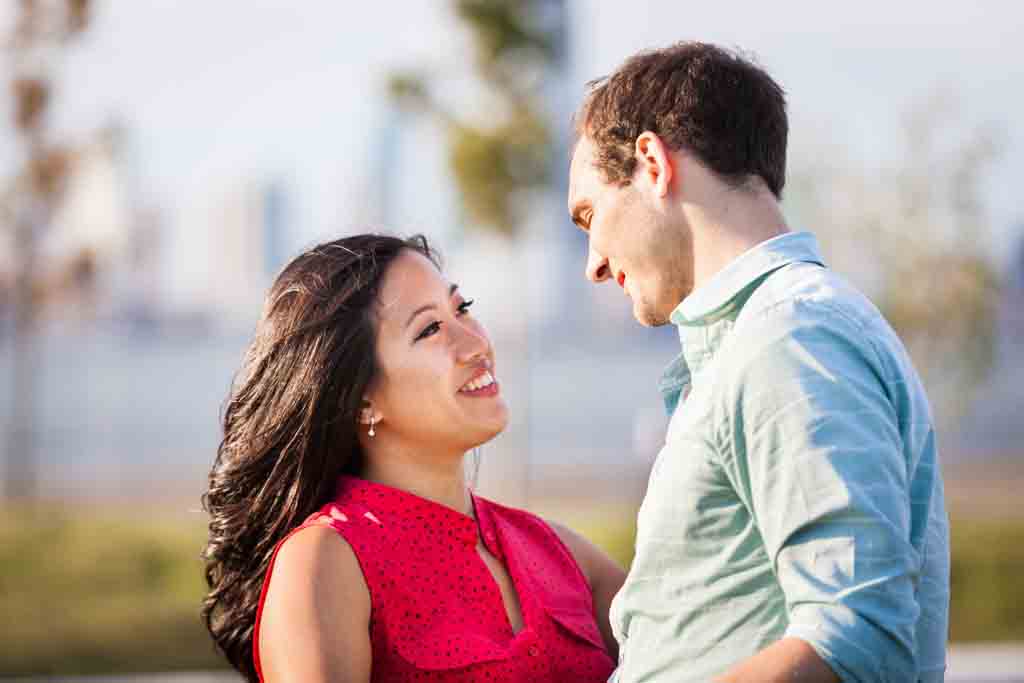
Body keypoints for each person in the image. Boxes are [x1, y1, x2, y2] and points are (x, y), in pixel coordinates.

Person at [567, 42, 949, 682]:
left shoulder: (789, 338)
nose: (595, 263)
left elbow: (855, 636)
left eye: (589, 215)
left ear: (653, 164)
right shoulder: (770, 339)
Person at [201, 234, 625, 683]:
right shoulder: (325, 560)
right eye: (429, 329)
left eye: (461, 308)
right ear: (360, 397)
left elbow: (695, 646)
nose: (476, 343)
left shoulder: (558, 552)